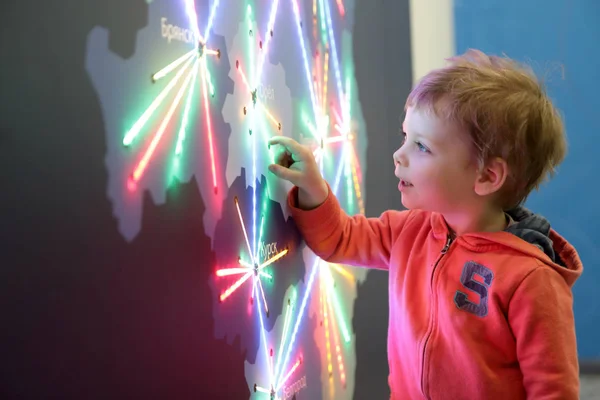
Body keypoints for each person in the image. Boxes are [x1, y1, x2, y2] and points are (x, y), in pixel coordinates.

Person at [267, 49, 583, 399]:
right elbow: (340, 239)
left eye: (421, 146)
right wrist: (313, 188)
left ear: (487, 176)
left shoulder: (532, 279)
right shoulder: (409, 232)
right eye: (405, 137)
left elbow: (553, 390)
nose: (398, 155)